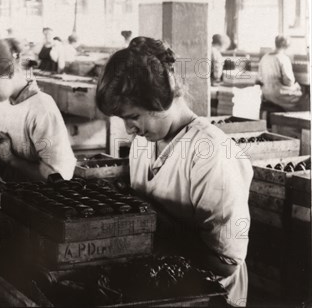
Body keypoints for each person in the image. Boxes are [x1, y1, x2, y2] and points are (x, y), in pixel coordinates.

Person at [96, 37, 252, 307]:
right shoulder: (144, 143)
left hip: (208, 295)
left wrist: (152, 224)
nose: (129, 129)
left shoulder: (211, 153)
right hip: (159, 284)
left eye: (133, 117)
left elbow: (225, 263)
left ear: (161, 100)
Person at [0, 38, 76, 181]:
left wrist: (12, 159)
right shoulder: (4, 102)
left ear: (9, 72)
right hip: (9, 192)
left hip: (40, 199)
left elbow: (59, 177)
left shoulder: (42, 109)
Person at [257, 35, 309, 111]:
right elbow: (289, 81)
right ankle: (292, 119)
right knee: (305, 96)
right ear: (287, 46)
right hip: (279, 94)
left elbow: (260, 78)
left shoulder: (265, 57)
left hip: (266, 93)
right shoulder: (283, 58)